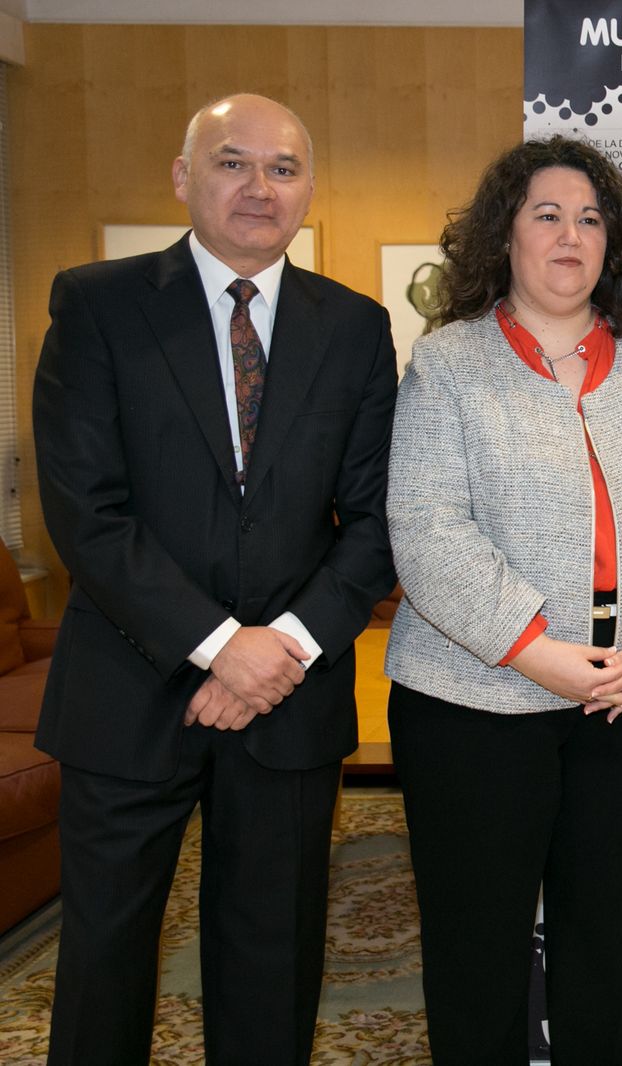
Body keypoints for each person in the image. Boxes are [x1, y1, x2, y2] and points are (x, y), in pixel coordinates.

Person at [32, 94, 397, 1063]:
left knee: (272, 959)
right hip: (126, 693)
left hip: (289, 697)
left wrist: (279, 650)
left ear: (307, 190)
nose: (258, 187)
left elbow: (374, 520)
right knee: (105, 958)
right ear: (183, 177)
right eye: (233, 163)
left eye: (283, 169)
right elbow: (86, 512)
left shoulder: (355, 328)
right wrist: (218, 646)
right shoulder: (97, 302)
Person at [384, 134, 622, 1064]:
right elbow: (426, 530)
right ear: (505, 237)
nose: (569, 236)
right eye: (547, 214)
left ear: (613, 243)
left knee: (606, 955)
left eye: (590, 218)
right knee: (478, 959)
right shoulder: (448, 364)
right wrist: (539, 651)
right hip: (474, 709)